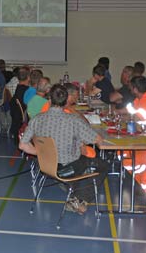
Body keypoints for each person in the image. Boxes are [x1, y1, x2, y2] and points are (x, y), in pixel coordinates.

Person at [18, 84, 103, 214]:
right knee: (101, 165)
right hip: (67, 168)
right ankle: (78, 199)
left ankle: (72, 188)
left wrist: (41, 153)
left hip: (45, 166)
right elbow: (97, 140)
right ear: (66, 101)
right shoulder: (73, 120)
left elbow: (22, 145)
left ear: (49, 100)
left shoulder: (37, 119)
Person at [9, 68, 31, 137]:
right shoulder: (28, 91)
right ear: (28, 78)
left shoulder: (18, 89)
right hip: (24, 119)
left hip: (17, 120)